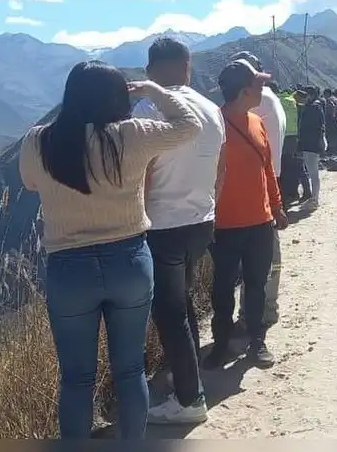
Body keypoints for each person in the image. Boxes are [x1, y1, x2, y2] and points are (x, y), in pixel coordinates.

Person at [18, 60, 201, 440]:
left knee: (76, 378)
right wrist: (154, 90)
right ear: (118, 98)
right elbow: (189, 125)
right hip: (128, 260)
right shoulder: (133, 135)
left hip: (69, 268)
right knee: (130, 371)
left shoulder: (39, 141)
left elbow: (30, 183)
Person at [129, 38, 222, 425]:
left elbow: (143, 172)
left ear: (150, 71)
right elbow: (220, 168)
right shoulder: (211, 109)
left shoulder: (147, 108)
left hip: (162, 226)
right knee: (181, 305)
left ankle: (189, 400)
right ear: (187, 67)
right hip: (202, 221)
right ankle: (188, 378)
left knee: (170, 314)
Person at [206, 57, 289, 370]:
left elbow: (266, 170)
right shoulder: (214, 125)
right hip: (224, 225)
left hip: (260, 223)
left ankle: (257, 341)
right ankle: (221, 344)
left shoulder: (257, 121)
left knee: (256, 286)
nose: (263, 89)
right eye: (258, 85)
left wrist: (277, 206)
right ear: (243, 91)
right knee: (222, 290)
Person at [233, 53, 286, 341]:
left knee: (255, 263)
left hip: (257, 189)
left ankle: (253, 315)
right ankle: (267, 309)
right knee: (268, 259)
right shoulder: (271, 99)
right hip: (270, 184)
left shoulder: (256, 104)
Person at [297, 86, 326, 210]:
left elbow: (309, 128)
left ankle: (314, 200)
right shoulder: (315, 107)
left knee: (313, 173)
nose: (303, 98)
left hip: (311, 144)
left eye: (306, 95)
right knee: (312, 173)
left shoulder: (313, 108)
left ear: (311, 95)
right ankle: (314, 198)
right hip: (311, 144)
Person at [322, 88, 337, 154]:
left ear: (327, 94)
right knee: (333, 136)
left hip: (330, 121)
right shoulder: (335, 99)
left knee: (329, 136)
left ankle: (331, 150)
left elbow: (331, 110)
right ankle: (333, 149)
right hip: (335, 120)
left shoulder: (329, 100)